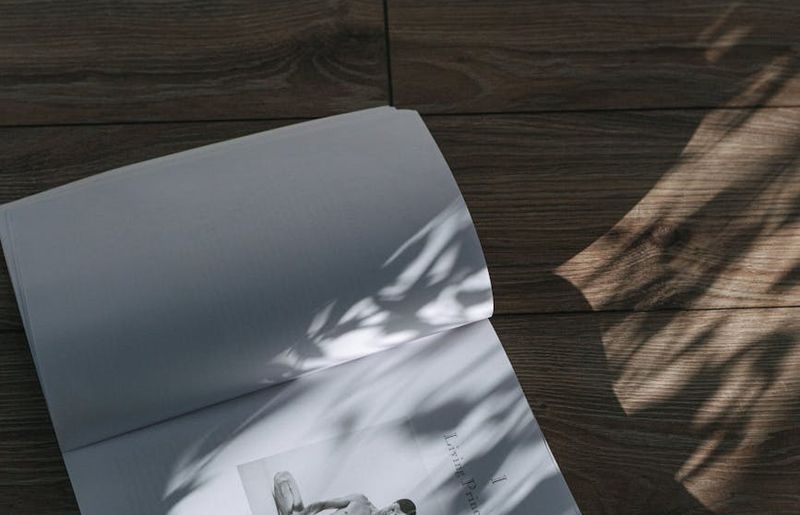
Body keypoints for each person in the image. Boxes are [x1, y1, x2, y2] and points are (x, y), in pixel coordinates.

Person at [272, 471, 416, 515]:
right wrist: (303, 513)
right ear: (392, 504)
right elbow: (324, 505)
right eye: (393, 510)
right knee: (283, 477)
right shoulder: (361, 501)